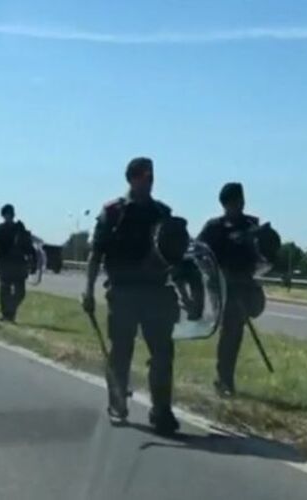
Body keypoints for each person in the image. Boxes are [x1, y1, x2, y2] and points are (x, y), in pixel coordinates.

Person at [82, 157, 180, 434]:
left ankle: (161, 410)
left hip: (156, 294)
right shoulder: (113, 212)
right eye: (143, 176)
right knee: (121, 353)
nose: (148, 182)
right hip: (123, 292)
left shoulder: (162, 213)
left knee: (163, 354)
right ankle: (117, 403)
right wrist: (88, 290)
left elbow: (175, 255)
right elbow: (95, 254)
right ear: (131, 178)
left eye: (151, 177)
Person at [197, 182, 263, 398]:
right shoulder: (214, 227)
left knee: (235, 333)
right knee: (230, 332)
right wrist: (215, 273)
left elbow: (260, 254)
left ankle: (226, 377)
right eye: (234, 201)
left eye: (241, 200)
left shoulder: (251, 225)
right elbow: (199, 253)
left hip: (245, 285)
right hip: (222, 287)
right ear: (226, 203)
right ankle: (224, 379)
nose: (239, 204)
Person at [0, 204, 36, 323]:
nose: (9, 215)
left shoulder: (20, 229)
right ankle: (6, 314)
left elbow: (28, 246)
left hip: (19, 263)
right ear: (3, 215)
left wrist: (33, 261)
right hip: (4, 263)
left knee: (20, 293)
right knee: (5, 290)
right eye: (7, 213)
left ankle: (9, 311)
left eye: (11, 213)